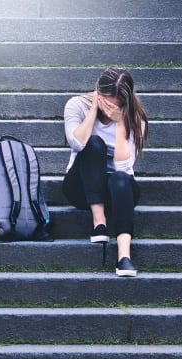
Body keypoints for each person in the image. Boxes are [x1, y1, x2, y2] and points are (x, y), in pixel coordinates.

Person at [62, 67, 148, 277]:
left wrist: (120, 124)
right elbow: (76, 143)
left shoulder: (136, 119)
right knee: (93, 144)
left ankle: (124, 256)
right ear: (97, 91)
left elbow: (124, 169)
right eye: (104, 98)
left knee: (120, 178)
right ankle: (99, 223)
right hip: (81, 187)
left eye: (114, 102)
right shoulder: (77, 105)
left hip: (118, 190)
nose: (107, 106)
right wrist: (92, 111)